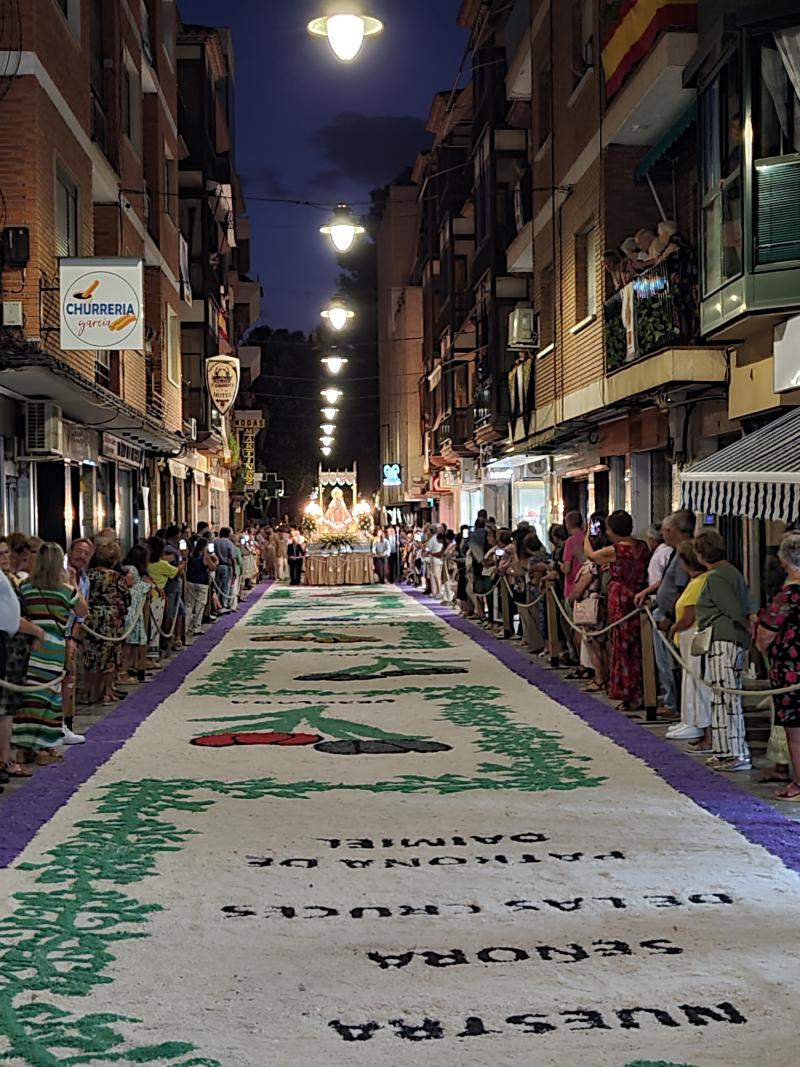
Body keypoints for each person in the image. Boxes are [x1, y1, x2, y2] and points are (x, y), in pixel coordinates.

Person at [13, 544, 87, 764]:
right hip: (54, 649)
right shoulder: (65, 590)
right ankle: (45, 748)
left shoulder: (25, 587)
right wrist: (73, 583)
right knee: (51, 699)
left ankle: (24, 746)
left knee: (30, 698)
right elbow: (83, 611)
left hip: (30, 648)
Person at [695, 530, 753, 772]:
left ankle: (734, 752)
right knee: (723, 695)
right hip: (729, 638)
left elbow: (734, 610)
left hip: (723, 639)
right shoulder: (731, 572)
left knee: (725, 696)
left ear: (701, 555)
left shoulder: (716, 577)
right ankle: (725, 750)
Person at [585, 510, 649, 711]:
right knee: (637, 646)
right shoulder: (642, 546)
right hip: (638, 593)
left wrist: (587, 536)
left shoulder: (616, 550)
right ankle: (640, 690)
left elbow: (591, 556)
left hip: (621, 598)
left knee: (621, 646)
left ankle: (628, 692)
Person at [635, 510, 695, 717]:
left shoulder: (684, 553)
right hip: (665, 611)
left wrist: (669, 616)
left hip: (673, 616)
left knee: (668, 661)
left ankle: (673, 703)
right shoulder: (674, 551)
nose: (664, 535)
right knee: (665, 660)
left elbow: (682, 588)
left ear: (675, 530)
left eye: (667, 531)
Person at [756, 533, 800, 800]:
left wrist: (762, 643)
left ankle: (798, 783)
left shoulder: (788, 595)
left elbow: (766, 634)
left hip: (792, 668)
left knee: (796, 731)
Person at [665, 541, 711, 744]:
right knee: (688, 680)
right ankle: (689, 718)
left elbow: (688, 616)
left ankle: (696, 722)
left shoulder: (701, 581)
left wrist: (673, 628)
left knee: (695, 681)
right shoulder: (697, 581)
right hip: (686, 638)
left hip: (692, 635)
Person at [82, 540, 130, 706]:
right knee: (110, 655)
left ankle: (89, 691)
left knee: (91, 654)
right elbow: (126, 598)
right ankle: (107, 692)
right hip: (111, 619)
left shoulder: (88, 575)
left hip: (91, 618)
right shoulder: (117, 577)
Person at [62, 538, 93, 744]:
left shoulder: (85, 580)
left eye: (86, 553)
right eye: (79, 551)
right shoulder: (61, 572)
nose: (81, 556)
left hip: (69, 632)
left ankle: (65, 723)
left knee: (69, 679)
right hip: (55, 629)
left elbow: (81, 613)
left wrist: (73, 637)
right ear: (70, 550)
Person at [185, 537, 217, 638]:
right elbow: (212, 567)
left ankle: (186, 626)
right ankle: (197, 626)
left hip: (190, 581)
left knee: (189, 605)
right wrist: (215, 560)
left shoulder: (191, 555)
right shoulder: (204, 556)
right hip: (202, 582)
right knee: (200, 604)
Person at [213, 528, 237, 612]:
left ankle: (216, 604)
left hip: (217, 565)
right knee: (226, 586)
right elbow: (232, 558)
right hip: (227, 565)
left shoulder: (215, 542)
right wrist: (234, 570)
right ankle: (224, 604)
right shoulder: (229, 543)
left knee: (217, 585)